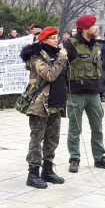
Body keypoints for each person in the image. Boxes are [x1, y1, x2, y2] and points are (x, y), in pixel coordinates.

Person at [63, 14, 105, 173]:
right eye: (93, 26)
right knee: (74, 129)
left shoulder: (96, 46)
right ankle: (74, 158)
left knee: (97, 128)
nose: (96, 28)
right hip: (76, 94)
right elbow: (62, 67)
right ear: (85, 28)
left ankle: (99, 158)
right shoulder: (70, 44)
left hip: (94, 94)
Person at [20, 26, 67, 189]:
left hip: (55, 103)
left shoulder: (56, 54)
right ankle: (32, 174)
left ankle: (47, 169)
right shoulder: (36, 56)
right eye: (53, 37)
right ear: (44, 39)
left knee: (52, 138)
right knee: (37, 139)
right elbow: (49, 75)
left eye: (57, 37)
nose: (56, 40)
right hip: (40, 104)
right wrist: (61, 59)